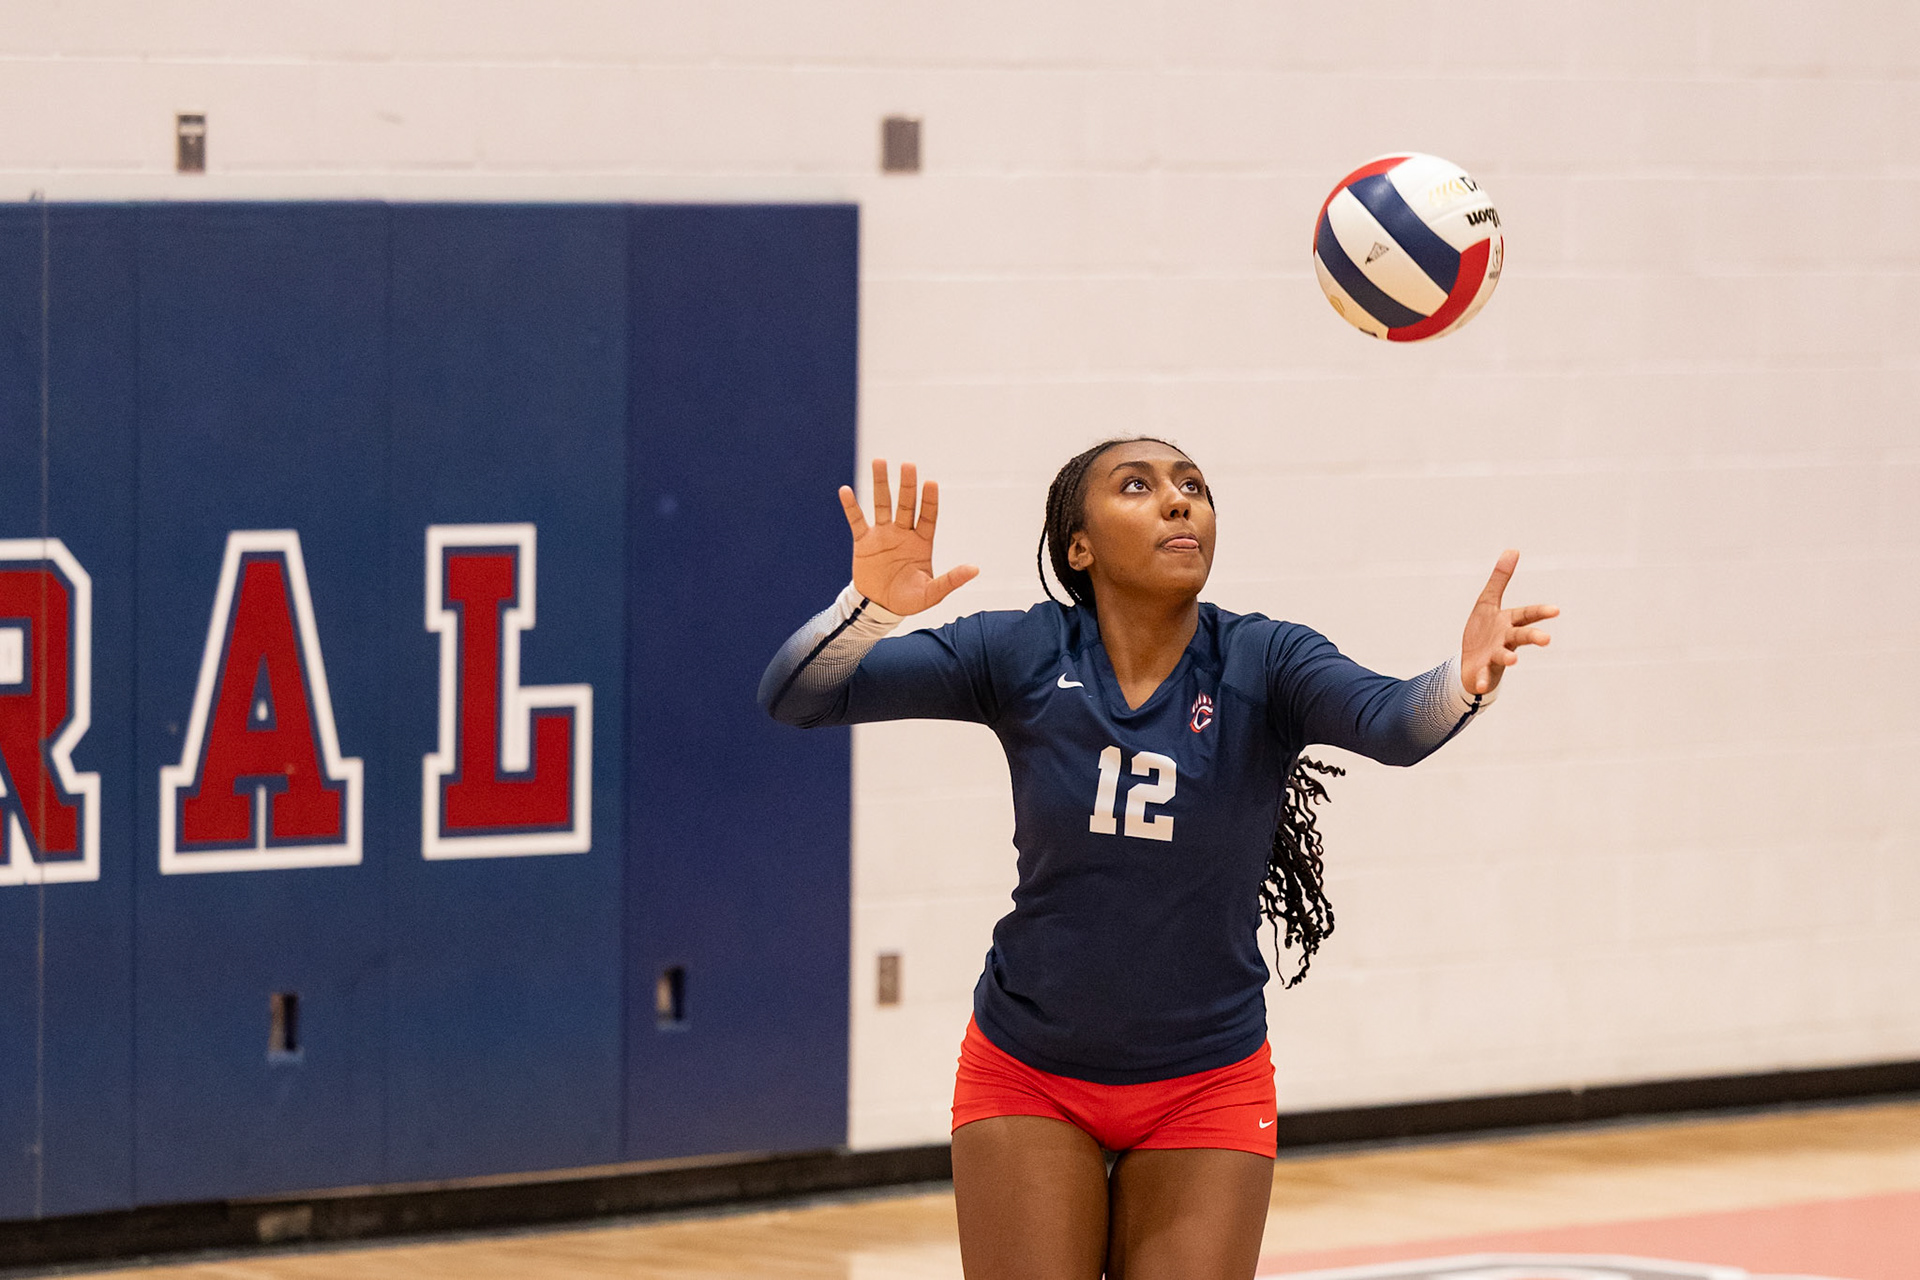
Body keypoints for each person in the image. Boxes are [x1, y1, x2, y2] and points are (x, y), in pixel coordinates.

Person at [758, 438, 1558, 1280]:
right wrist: (867, 609)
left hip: (1206, 1082)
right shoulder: (1023, 652)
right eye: (1137, 486)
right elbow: (797, 696)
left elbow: (1394, 724)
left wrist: (1463, 682)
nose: (1180, 501)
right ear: (1079, 546)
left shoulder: (1265, 659)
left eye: (1194, 487)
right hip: (1029, 1071)